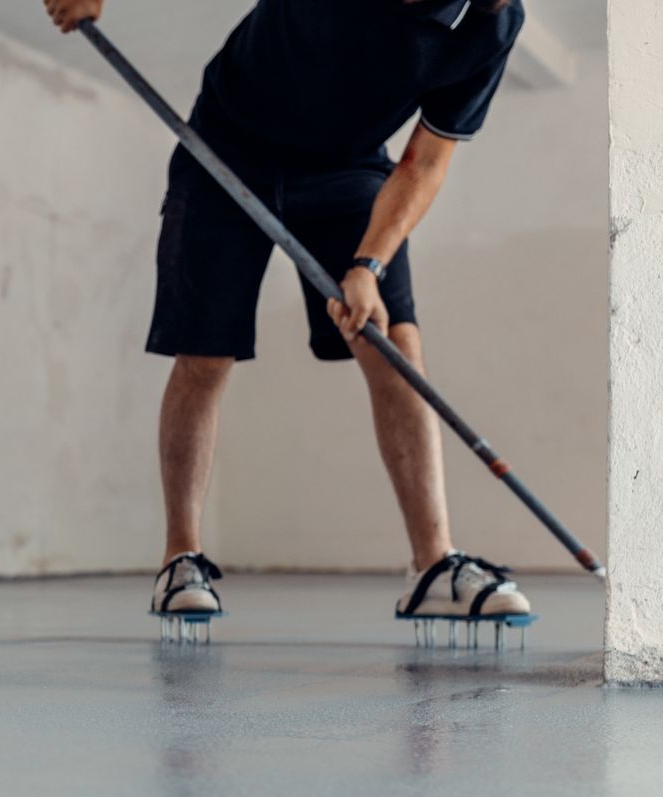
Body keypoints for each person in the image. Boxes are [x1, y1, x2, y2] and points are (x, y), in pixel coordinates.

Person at [45, 0, 535, 627]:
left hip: (349, 167)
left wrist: (369, 266)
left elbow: (426, 162)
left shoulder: (491, 22)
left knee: (395, 346)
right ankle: (180, 560)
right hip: (226, 146)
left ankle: (433, 569)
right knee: (204, 354)